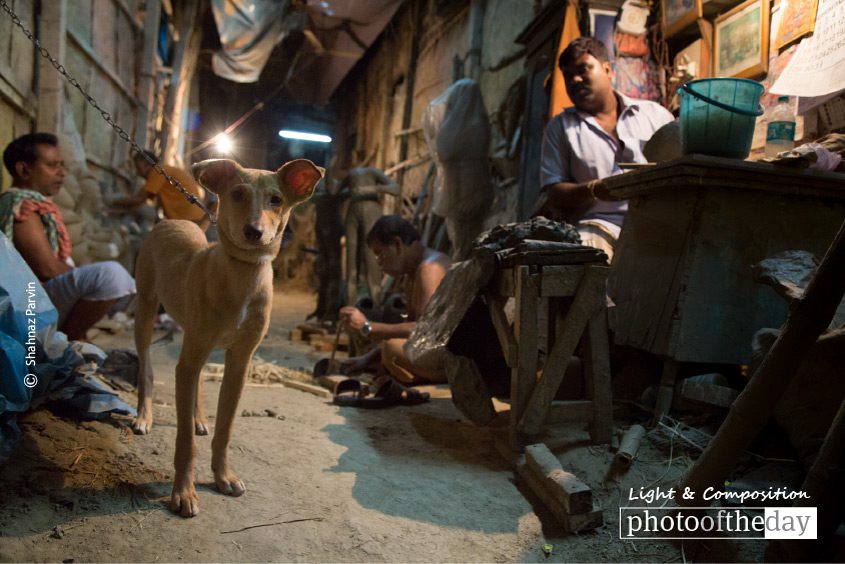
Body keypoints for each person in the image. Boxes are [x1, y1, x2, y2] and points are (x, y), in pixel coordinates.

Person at [535, 37, 674, 261]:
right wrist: (594, 189)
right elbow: (553, 191)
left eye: (583, 69)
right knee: (588, 252)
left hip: (658, 222)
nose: (576, 79)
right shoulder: (560, 127)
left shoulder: (654, 114)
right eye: (568, 75)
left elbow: (678, 163)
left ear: (607, 69)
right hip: (600, 225)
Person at [1, 133, 135, 340]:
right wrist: (83, 279)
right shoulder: (21, 205)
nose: (62, 173)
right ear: (23, 170)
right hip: (26, 305)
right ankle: (57, 348)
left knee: (116, 282)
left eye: (62, 165)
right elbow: (47, 269)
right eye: (52, 165)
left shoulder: (36, 204)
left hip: (35, 300)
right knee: (111, 276)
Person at [338, 215, 451, 385]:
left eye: (379, 253)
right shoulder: (413, 273)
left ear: (398, 245)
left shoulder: (429, 270)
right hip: (437, 351)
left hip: (454, 358)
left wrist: (367, 326)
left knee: (392, 349)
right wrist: (367, 359)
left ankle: (418, 382)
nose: (379, 262)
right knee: (388, 350)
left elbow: (424, 330)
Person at [338, 166, 401, 305]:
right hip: (353, 211)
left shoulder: (373, 171)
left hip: (371, 209)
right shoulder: (351, 173)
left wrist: (371, 189)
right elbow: (336, 192)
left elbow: (396, 188)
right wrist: (352, 191)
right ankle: (350, 308)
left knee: (371, 256)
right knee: (351, 259)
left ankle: (375, 306)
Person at [110, 150, 211, 230]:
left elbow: (138, 200)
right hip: (194, 218)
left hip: (189, 219)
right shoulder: (161, 173)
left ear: (145, 162)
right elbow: (142, 200)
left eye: (137, 164)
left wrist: (111, 201)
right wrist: (122, 210)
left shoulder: (158, 171)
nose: (136, 169)